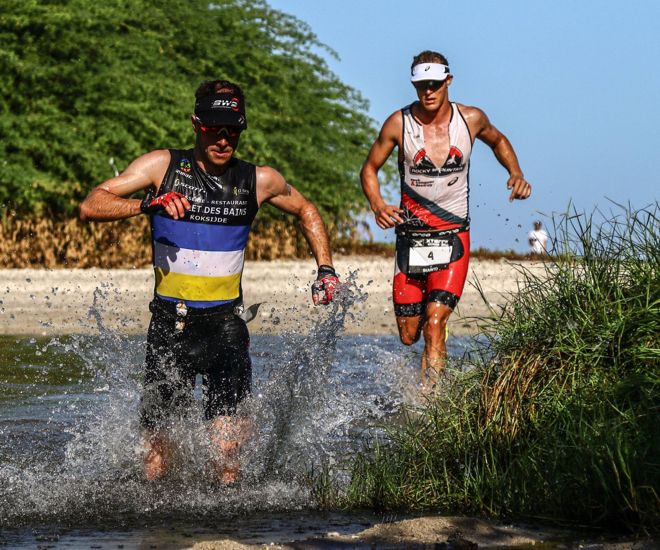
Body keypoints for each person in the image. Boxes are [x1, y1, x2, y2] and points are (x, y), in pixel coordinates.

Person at [80, 79, 340, 483]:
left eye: (232, 129)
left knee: (227, 458)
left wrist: (325, 268)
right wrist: (147, 203)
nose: (223, 139)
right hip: (170, 325)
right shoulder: (162, 167)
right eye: (213, 128)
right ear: (196, 123)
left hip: (225, 327)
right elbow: (92, 204)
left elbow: (306, 209)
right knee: (155, 467)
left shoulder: (260, 180)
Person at [360, 51, 531, 388]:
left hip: (454, 236)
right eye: (422, 85)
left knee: (435, 322)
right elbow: (369, 168)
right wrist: (378, 204)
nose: (429, 91)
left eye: (435, 84)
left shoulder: (470, 119)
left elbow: (497, 140)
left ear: (448, 81)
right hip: (411, 238)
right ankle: (429, 322)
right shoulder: (399, 123)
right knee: (409, 335)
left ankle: (431, 405)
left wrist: (515, 172)